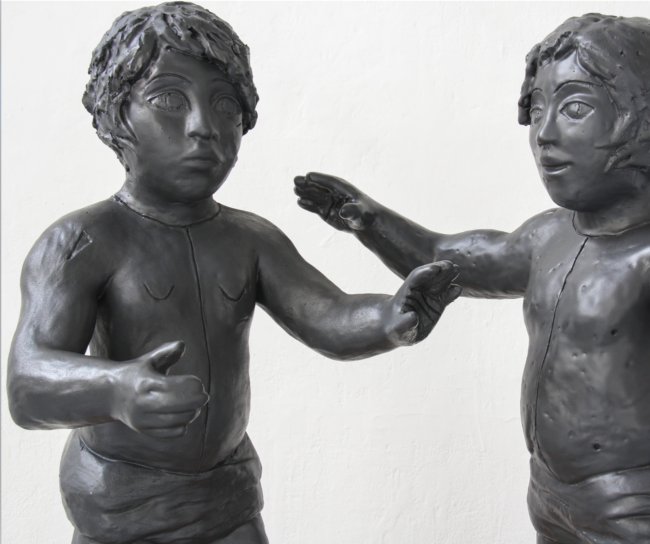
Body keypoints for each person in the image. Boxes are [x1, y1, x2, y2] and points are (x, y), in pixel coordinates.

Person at [295, 13, 650, 544]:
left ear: (645, 122)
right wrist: (371, 220)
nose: (544, 134)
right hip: (551, 493)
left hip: (643, 507)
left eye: (574, 108)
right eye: (537, 109)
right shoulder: (546, 236)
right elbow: (446, 258)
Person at [6, 3, 460, 544]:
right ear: (113, 115)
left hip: (227, 495)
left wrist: (392, 317)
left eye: (225, 104)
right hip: (121, 501)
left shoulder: (250, 238)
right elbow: (27, 383)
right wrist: (115, 388)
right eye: (169, 100)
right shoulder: (81, 241)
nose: (204, 127)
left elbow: (326, 314)